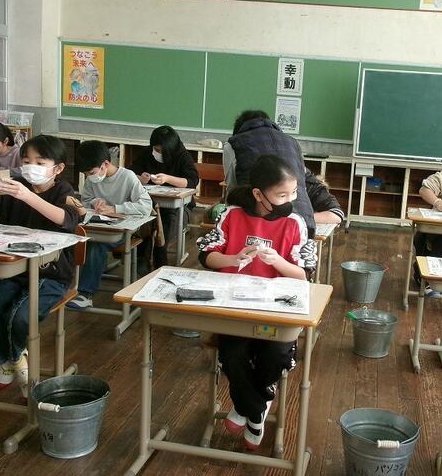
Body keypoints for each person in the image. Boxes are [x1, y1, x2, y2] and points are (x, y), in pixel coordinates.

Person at [197, 154, 316, 450]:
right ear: (258, 194)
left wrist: (279, 262)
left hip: (277, 310)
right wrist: (232, 259)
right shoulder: (232, 215)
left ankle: (246, 406)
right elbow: (206, 255)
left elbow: (304, 274)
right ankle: (257, 407)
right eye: (282, 195)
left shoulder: (295, 222)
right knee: (232, 355)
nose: (291, 200)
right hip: (236, 308)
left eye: (294, 193)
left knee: (275, 354)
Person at [0, 135, 80, 396]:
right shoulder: (14, 185)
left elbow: (67, 219)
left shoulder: (64, 191)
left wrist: (27, 196)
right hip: (13, 269)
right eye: (26, 161)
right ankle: (15, 362)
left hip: (51, 274)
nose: (31, 167)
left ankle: (10, 362)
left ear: (58, 168)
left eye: (40, 162)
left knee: (20, 318)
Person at [69, 140, 153, 310]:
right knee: (80, 240)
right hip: (97, 227)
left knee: (96, 245)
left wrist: (115, 208)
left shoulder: (127, 177)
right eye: (86, 173)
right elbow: (85, 200)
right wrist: (95, 202)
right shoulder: (92, 179)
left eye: (91, 172)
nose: (89, 177)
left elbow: (146, 206)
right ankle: (69, 286)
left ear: (105, 164)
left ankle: (85, 293)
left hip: (121, 231)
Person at [223, 109, 315, 236]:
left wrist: (229, 220)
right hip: (303, 220)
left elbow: (232, 186)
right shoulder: (293, 142)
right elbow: (301, 181)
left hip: (260, 224)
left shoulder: (234, 143)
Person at [129, 125, 199, 267]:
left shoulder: (182, 156)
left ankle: (159, 258)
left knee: (166, 224)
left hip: (178, 208)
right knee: (144, 222)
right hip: (149, 204)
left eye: (161, 151)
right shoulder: (147, 153)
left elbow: (192, 181)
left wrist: (167, 179)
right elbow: (130, 173)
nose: (157, 153)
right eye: (156, 149)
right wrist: (140, 178)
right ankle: (141, 262)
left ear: (170, 149)